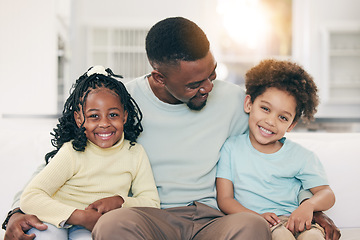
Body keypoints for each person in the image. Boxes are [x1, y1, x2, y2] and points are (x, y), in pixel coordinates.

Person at [3, 17, 341, 240]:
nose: (208, 86)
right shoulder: (121, 102)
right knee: (111, 225)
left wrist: (313, 210)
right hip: (149, 215)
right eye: (195, 83)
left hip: (211, 217)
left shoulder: (235, 101)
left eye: (212, 73)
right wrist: (17, 209)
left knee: (251, 226)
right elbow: (64, 155)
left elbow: (277, 156)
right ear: (159, 76)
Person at [18, 66, 160, 239]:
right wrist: (79, 216)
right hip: (56, 220)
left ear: (125, 116)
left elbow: (152, 204)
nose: (104, 124)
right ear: (79, 119)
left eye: (113, 114)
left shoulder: (135, 153)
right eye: (94, 116)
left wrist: (120, 202)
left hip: (95, 226)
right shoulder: (72, 152)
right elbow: (30, 197)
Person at [216, 59, 336, 240]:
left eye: (282, 117)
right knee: (281, 237)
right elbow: (225, 200)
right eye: (265, 108)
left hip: (300, 220)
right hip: (264, 224)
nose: (271, 121)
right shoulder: (231, 149)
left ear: (291, 125)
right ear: (249, 104)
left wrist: (308, 206)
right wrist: (255, 217)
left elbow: (327, 194)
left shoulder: (302, 156)